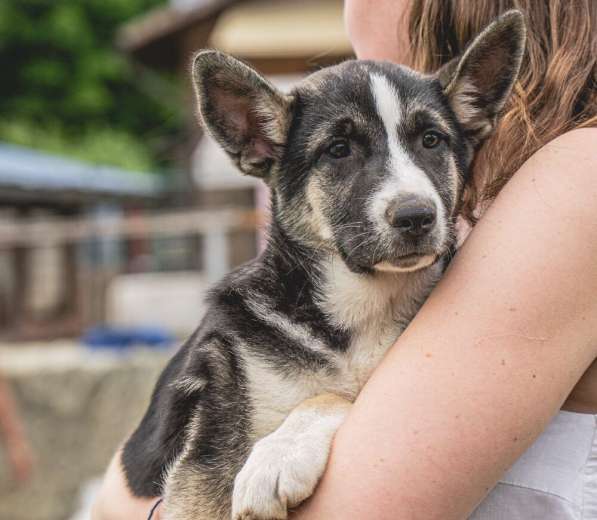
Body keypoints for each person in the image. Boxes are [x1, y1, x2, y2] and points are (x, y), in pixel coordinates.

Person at [92, 1, 597, 518]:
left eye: (429, 141)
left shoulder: (574, 181)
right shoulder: (502, 212)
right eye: (340, 151)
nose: (411, 198)